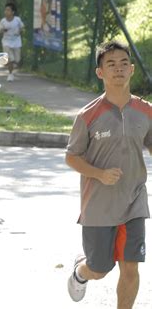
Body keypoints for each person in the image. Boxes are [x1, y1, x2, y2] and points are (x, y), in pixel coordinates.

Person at [65, 40, 151, 308]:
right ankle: (81, 272)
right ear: (100, 72)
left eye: (124, 64)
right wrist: (99, 174)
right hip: (98, 207)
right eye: (111, 65)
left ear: (132, 69)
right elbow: (71, 157)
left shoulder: (146, 111)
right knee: (100, 269)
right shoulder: (88, 115)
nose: (119, 69)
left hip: (134, 201)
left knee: (130, 269)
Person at [0, 2, 24, 82]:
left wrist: (19, 32)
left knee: (17, 59)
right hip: (6, 42)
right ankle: (10, 74)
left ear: (13, 12)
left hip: (16, 42)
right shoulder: (3, 21)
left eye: (8, 10)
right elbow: (0, 31)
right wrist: (3, 30)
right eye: (5, 10)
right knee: (10, 59)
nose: (6, 12)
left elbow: (22, 28)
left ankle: (14, 63)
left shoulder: (17, 20)